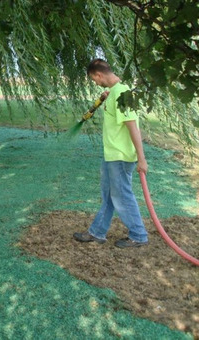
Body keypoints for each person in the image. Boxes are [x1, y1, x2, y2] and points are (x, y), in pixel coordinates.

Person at [73, 58, 149, 248]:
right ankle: (97, 232)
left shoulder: (122, 93)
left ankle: (139, 235)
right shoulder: (115, 92)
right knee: (108, 196)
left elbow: (132, 126)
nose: (96, 83)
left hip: (121, 156)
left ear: (98, 74)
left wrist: (142, 158)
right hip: (111, 155)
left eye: (94, 79)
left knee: (122, 196)